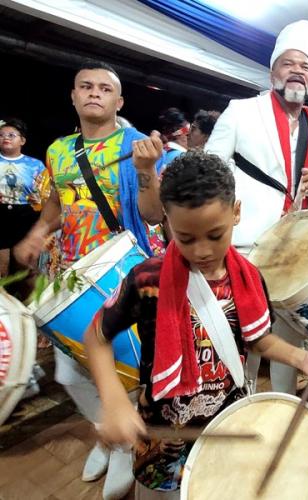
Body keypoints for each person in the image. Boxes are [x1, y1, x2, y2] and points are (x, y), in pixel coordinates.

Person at [83, 151, 308, 498]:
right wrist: (114, 401)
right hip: (163, 435)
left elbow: (259, 341)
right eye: (186, 238)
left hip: (231, 423)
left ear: (236, 212)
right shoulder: (146, 279)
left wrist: (300, 358)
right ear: (167, 220)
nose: (201, 251)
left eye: (215, 235)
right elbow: (96, 337)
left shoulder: (250, 277)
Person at [13, 60, 166, 499]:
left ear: (119, 101)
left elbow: (154, 214)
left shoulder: (138, 145)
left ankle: (127, 443)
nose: (94, 93)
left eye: (104, 88)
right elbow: (55, 210)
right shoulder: (58, 151)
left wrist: (145, 170)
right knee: (69, 371)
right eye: (86, 86)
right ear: (74, 96)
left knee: (129, 367)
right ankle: (109, 434)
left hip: (124, 269)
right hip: (74, 274)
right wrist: (37, 235)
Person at [205, 20, 308, 395]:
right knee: (236, 334)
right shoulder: (241, 111)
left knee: (289, 336)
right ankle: (234, 401)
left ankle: (281, 401)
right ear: (272, 72)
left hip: (296, 252)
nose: (297, 70)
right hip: (246, 245)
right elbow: (209, 169)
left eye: (305, 66)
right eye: (289, 63)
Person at [0, 118, 46, 276]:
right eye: (1, 135)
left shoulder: (36, 165)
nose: (5, 138)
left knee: (25, 268)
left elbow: (46, 194)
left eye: (11, 135)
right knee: (1, 266)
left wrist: (39, 200)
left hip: (26, 216)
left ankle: (25, 300)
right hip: (0, 215)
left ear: (22, 140)